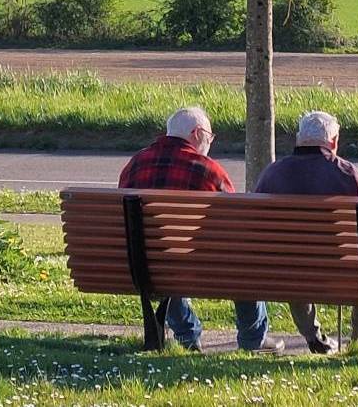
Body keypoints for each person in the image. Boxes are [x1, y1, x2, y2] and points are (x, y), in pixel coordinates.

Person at [118, 106, 283, 353]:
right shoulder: (207, 170)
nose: (210, 143)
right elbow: (237, 226)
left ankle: (187, 336)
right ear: (197, 133)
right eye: (210, 137)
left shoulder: (135, 165)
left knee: (161, 262)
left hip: (144, 264)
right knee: (246, 259)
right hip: (202, 265)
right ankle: (253, 339)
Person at [252, 110, 358, 354]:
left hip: (287, 269)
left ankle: (313, 336)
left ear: (298, 140)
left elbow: (258, 222)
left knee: (292, 262)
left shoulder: (273, 173)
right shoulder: (349, 175)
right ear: (334, 141)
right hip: (343, 269)